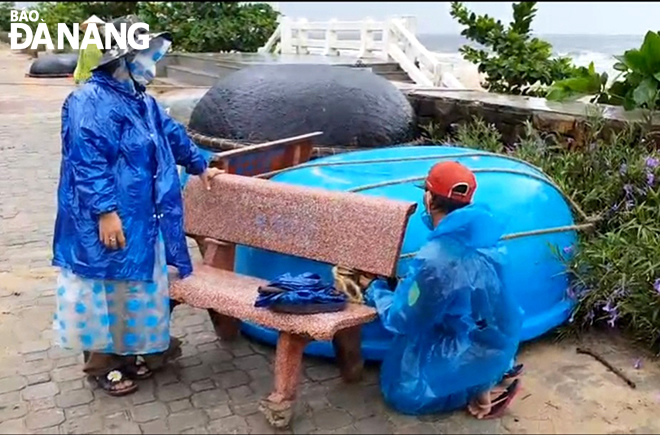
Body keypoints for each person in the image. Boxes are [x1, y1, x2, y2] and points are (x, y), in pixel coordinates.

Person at [52, 16, 222, 396]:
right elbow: (86, 160)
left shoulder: (142, 99)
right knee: (104, 287)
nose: (152, 61)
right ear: (120, 58)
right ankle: (101, 364)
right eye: (144, 54)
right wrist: (105, 212)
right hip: (108, 217)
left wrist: (200, 165)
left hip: (144, 216)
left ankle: (131, 353)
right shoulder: (87, 101)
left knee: (133, 288)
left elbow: (172, 134)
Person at [361, 160, 524, 419]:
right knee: (470, 338)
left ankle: (477, 388)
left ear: (429, 199)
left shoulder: (435, 259)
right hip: (497, 347)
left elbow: (403, 320)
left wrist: (375, 289)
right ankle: (492, 376)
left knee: (402, 393)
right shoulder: (489, 243)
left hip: (458, 349)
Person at [73, 15, 106, 85]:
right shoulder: (85, 42)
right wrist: (77, 74)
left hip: (100, 77)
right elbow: (81, 59)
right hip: (85, 77)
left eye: (96, 26)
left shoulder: (104, 41)